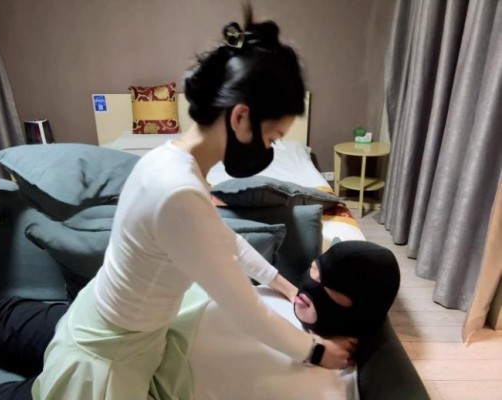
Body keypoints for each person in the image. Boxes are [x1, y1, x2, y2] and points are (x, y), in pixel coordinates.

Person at [28, 7, 356, 399]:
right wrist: (318, 352)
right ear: (241, 118)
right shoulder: (178, 190)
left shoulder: (172, 161)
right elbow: (244, 310)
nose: (269, 149)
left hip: (114, 325)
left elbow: (224, 240)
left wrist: (283, 285)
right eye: (272, 137)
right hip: (110, 354)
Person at [0, 240, 400, 400]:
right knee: (2, 322)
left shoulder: (332, 382)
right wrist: (284, 286)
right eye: (314, 271)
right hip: (115, 324)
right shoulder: (289, 294)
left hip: (121, 377)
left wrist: (317, 352)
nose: (309, 287)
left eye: (328, 290)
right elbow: (227, 244)